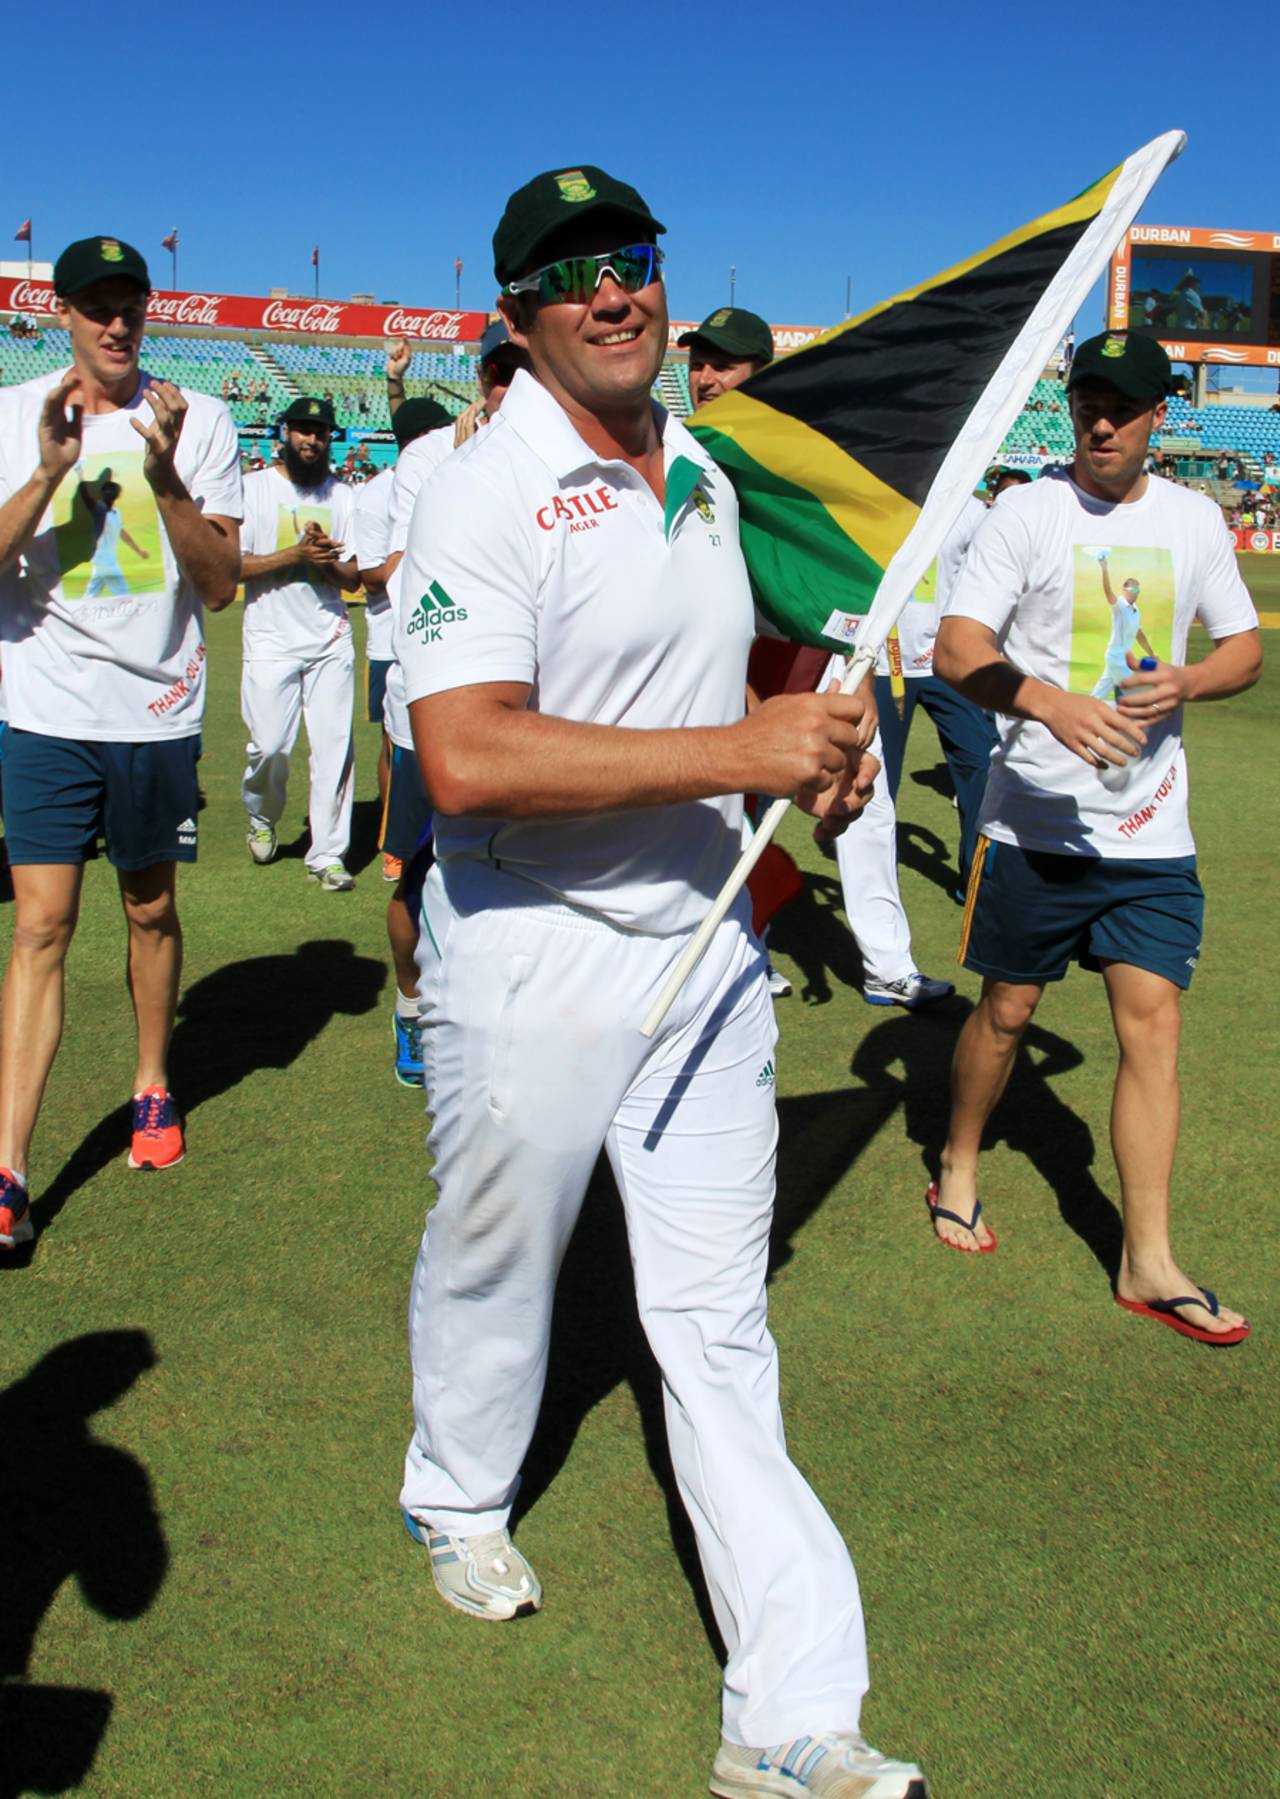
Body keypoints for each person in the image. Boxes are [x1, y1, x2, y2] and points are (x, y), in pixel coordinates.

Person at [396, 164, 926, 1799]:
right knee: (503, 1263)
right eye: (571, 276)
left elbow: (762, 695)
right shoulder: (481, 490)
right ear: (519, 318)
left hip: (705, 950)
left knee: (714, 1323)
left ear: (662, 283)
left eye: (629, 259)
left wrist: (810, 766)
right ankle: (459, 1495)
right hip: (527, 944)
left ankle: (788, 1715)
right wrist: (739, 747)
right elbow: (466, 753)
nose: (610, 292)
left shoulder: (706, 467)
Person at [931, 331, 1261, 1346]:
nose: (1100, 420)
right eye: (1086, 401)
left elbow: (1240, 647)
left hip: (1149, 830)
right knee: (1006, 1010)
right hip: (1030, 823)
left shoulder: (1193, 519)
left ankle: (1145, 1258)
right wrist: (1045, 703)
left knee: (1150, 1021)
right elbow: (955, 646)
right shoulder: (1024, 511)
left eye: (1121, 404)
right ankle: (956, 1157)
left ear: (1160, 413)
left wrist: (1187, 681)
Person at [0, 235, 241, 1245]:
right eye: (96, 304)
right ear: (62, 314)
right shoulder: (15, 415)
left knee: (149, 909)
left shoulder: (204, 419)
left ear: (148, 312)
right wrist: (52, 473)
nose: (115, 321)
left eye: (129, 304)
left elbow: (221, 584)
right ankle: (9, 1165)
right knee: (41, 927)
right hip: (46, 713)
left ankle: (151, 1081)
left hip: (154, 716)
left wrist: (164, 472)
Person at [238, 396, 360, 890]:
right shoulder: (252, 490)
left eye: (322, 432)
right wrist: (295, 554)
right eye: (303, 430)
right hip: (270, 636)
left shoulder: (345, 498)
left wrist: (323, 561)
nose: (312, 439)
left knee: (333, 748)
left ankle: (327, 854)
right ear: (284, 435)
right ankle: (263, 814)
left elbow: (353, 575)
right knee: (269, 747)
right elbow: (234, 566)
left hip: (329, 636)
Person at [355, 390, 452, 883]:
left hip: (440, 643)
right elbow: (373, 573)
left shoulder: (463, 474)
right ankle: (395, 838)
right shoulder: (375, 494)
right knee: (395, 745)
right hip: (389, 638)